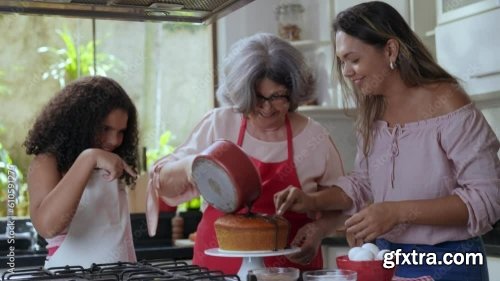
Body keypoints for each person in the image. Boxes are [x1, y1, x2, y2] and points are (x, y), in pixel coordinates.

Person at [274, 2, 500, 280]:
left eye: (353, 59)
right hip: (386, 259)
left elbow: (487, 197)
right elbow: (365, 182)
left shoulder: (447, 103)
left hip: (452, 260)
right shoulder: (372, 112)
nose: (346, 71)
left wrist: (397, 212)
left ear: (390, 50)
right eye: (342, 61)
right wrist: (312, 201)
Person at [146, 33, 345, 273]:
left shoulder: (314, 138)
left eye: (278, 97)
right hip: (218, 270)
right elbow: (164, 185)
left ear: (294, 92)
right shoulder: (219, 124)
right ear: (241, 93)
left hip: (289, 271)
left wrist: (319, 230)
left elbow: (343, 203)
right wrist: (193, 166)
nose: (267, 108)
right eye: (257, 98)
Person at [24, 76, 139, 268]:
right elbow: (48, 226)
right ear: (81, 122)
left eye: (121, 132)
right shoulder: (47, 163)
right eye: (105, 128)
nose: (113, 140)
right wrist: (88, 158)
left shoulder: (110, 164)